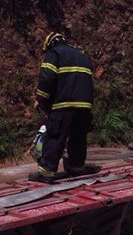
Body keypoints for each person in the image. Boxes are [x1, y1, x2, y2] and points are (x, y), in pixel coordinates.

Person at [28, 32, 100, 184]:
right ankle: (76, 167)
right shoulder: (82, 56)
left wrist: (42, 101)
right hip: (84, 106)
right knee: (78, 137)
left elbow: (47, 79)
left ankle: (47, 173)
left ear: (49, 44)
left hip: (63, 105)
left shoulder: (54, 54)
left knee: (55, 136)